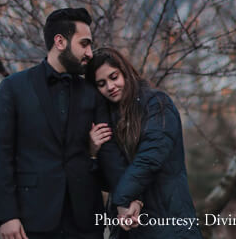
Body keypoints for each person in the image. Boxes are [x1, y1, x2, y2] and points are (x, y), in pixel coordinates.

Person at [0, 8, 140, 239]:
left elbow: (108, 150)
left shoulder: (92, 92)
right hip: (32, 219)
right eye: (84, 44)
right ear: (60, 42)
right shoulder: (13, 88)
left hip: (85, 220)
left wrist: (124, 200)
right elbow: (2, 155)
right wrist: (6, 215)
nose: (89, 53)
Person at [87, 48, 203, 238]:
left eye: (114, 77)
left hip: (167, 220)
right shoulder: (108, 118)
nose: (110, 86)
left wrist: (124, 200)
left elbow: (150, 159)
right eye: (101, 84)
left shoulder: (157, 104)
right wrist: (92, 153)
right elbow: (109, 180)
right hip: (129, 226)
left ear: (125, 71)